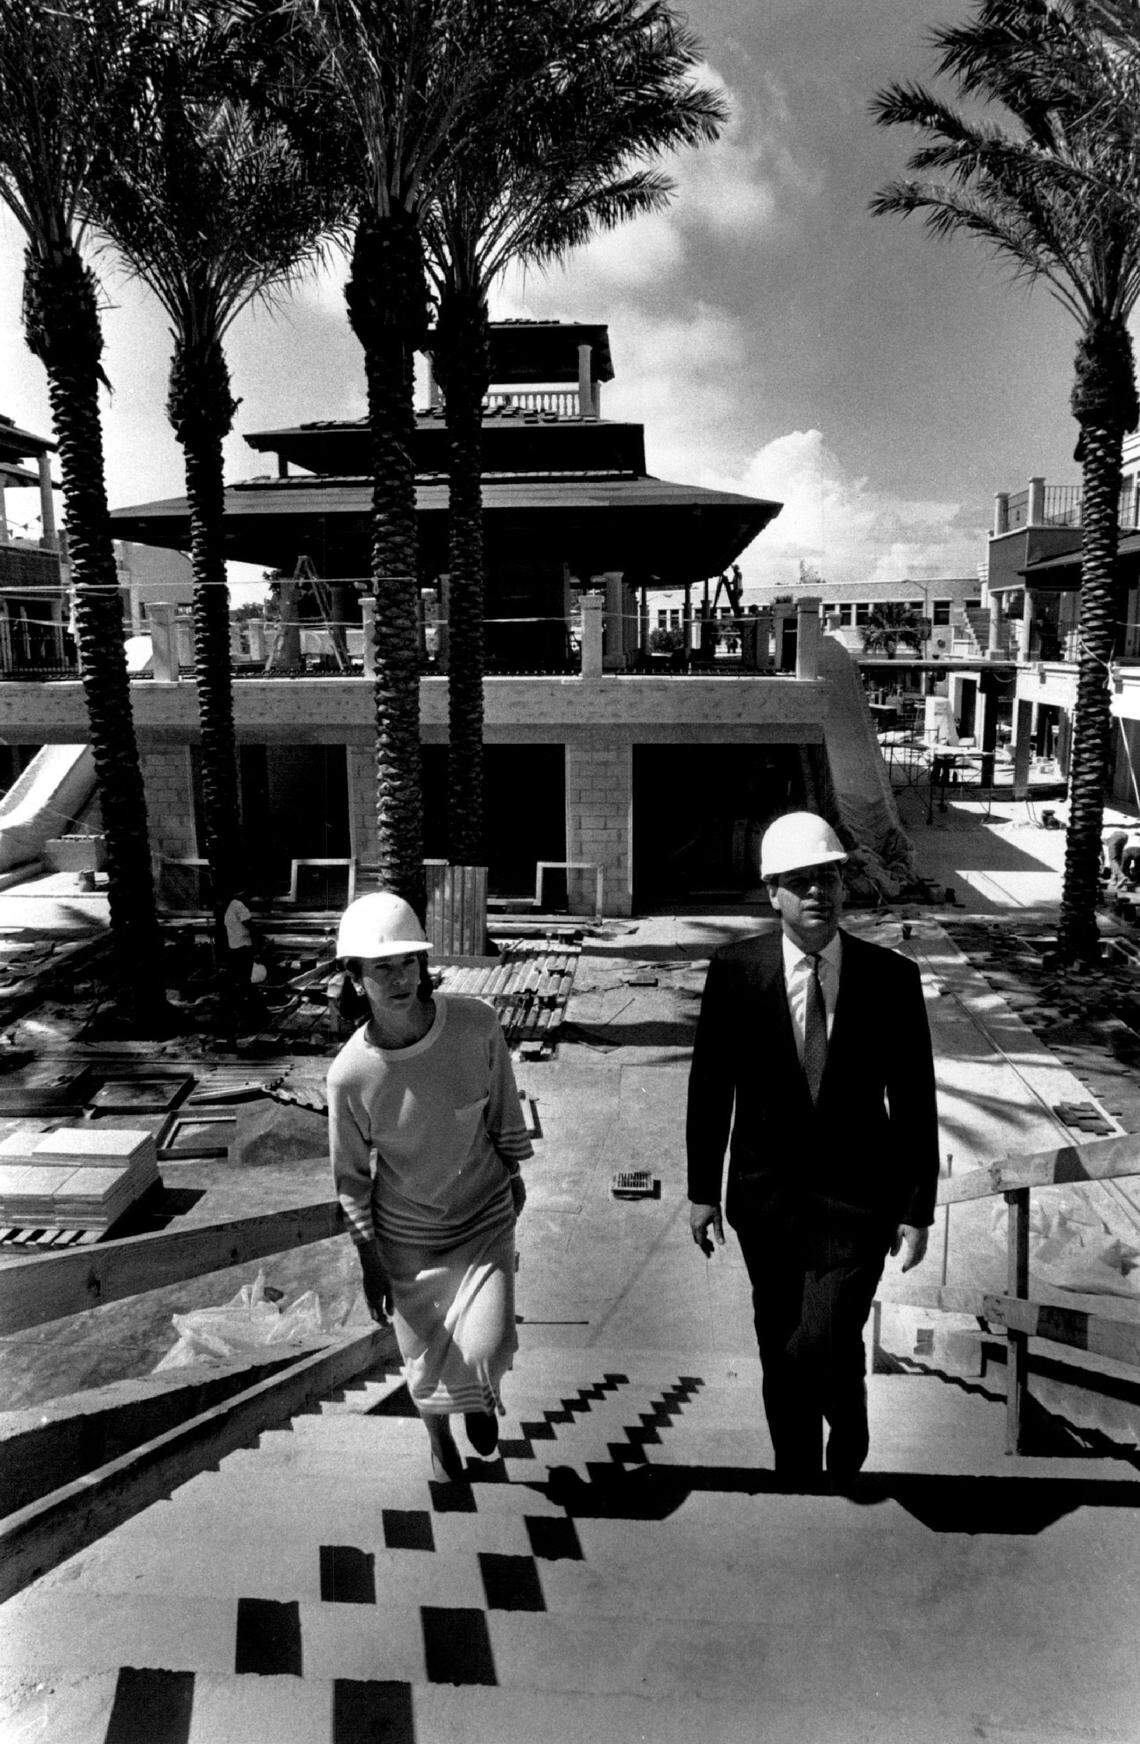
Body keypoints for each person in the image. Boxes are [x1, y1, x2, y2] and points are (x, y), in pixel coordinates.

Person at [687, 811, 939, 1485]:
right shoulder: (735, 972)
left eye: (827, 878)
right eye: (799, 882)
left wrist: (917, 1207)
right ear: (773, 893)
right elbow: (709, 1087)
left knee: (821, 1339)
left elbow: (914, 1100)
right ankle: (795, 1477)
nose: (817, 893)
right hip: (766, 1203)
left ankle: (847, 1418)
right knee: (779, 1346)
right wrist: (701, 1191)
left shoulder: (891, 978)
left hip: (859, 1205)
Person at [327, 891, 532, 1481]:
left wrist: (514, 1174)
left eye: (407, 963)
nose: (398, 978)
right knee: (421, 1362)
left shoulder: (476, 1024)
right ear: (356, 978)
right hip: (407, 1240)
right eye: (381, 968)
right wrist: (369, 1259)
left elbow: (503, 1109)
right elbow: (350, 1178)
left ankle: (480, 1397)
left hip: (482, 1218)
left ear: (422, 965)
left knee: (487, 1348)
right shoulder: (349, 1075)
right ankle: (441, 1445)